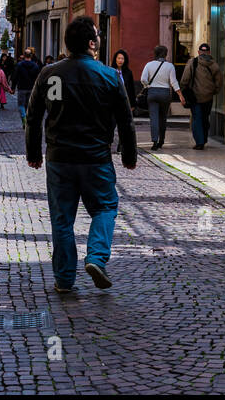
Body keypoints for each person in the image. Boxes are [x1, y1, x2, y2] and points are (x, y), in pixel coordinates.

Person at [26, 17, 137, 293]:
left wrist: (33, 152)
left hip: (59, 158)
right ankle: (96, 257)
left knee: (62, 219)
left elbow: (33, 116)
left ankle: (64, 279)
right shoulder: (110, 76)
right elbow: (126, 120)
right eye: (97, 36)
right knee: (105, 207)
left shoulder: (48, 74)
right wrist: (129, 155)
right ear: (91, 43)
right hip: (95, 159)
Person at [139, 45, 184, 151]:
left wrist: (148, 86)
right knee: (163, 118)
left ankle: (154, 141)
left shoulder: (149, 65)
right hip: (165, 94)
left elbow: (143, 79)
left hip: (152, 92)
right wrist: (180, 95)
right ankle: (161, 141)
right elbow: (173, 82)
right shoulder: (170, 66)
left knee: (154, 118)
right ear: (165, 54)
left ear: (155, 53)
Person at [182, 43, 225, 150]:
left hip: (195, 97)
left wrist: (183, 91)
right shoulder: (214, 64)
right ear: (209, 52)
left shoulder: (192, 62)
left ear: (198, 52)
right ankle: (204, 138)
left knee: (197, 118)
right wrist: (213, 91)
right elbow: (219, 81)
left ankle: (200, 142)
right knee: (205, 118)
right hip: (208, 97)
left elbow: (185, 79)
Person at [11, 48, 42, 127]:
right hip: (31, 88)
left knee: (21, 105)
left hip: (22, 88)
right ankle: (28, 120)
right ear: (31, 55)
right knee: (28, 105)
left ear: (24, 55)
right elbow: (38, 78)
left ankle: (24, 119)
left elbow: (15, 77)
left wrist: (13, 87)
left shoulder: (19, 65)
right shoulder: (35, 66)